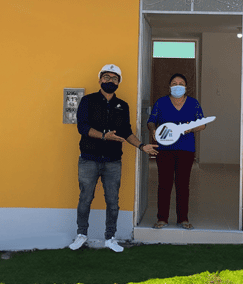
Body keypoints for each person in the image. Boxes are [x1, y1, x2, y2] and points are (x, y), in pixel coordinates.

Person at [69, 64, 158, 252]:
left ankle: (110, 238)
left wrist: (142, 146)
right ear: (100, 80)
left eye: (114, 78)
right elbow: (82, 127)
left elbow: (126, 132)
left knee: (112, 201)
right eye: (107, 77)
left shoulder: (122, 106)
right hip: (89, 159)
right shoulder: (88, 101)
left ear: (119, 82)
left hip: (113, 161)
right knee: (85, 198)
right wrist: (104, 136)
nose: (110, 81)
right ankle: (81, 234)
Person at [147, 73, 206, 230]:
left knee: (183, 184)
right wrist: (153, 130)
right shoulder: (161, 102)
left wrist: (190, 128)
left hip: (186, 149)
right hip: (165, 149)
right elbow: (151, 121)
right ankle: (162, 218)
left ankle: (183, 219)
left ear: (186, 87)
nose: (177, 86)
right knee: (164, 184)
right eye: (174, 83)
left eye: (181, 83)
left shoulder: (193, 103)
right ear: (169, 87)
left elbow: (202, 124)